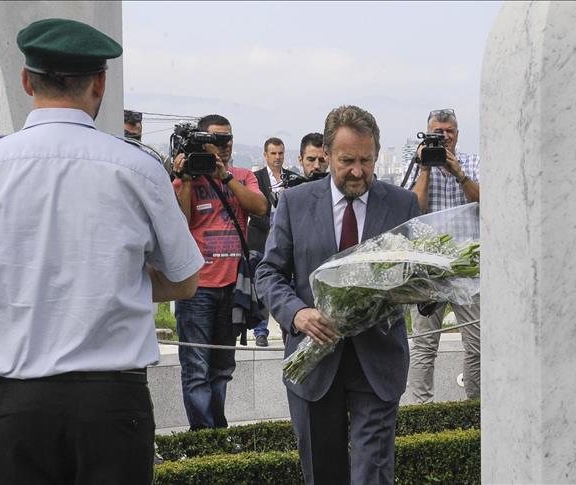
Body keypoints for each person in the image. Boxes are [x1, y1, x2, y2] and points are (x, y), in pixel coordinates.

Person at [0, 18, 203, 485]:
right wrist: (114, 282)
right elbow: (185, 280)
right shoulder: (138, 169)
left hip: (14, 410)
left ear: (27, 80)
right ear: (100, 84)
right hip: (113, 406)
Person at [256, 105, 420, 485]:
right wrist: (297, 314)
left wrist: (431, 285)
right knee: (323, 474)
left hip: (377, 363)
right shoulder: (296, 204)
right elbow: (268, 273)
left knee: (372, 474)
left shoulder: (402, 204)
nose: (358, 171)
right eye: (347, 161)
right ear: (326, 154)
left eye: (367, 160)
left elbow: (418, 280)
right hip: (312, 365)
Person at [172, 114, 267, 429]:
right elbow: (180, 223)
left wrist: (226, 177)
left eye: (229, 139)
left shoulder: (242, 175)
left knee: (222, 368)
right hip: (197, 288)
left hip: (233, 287)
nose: (224, 146)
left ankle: (217, 428)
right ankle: (204, 434)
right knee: (196, 368)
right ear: (202, 141)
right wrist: (186, 180)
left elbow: (260, 207)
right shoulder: (187, 178)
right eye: (217, 140)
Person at [406, 108, 481, 403]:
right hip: (428, 270)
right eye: (438, 132)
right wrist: (425, 168)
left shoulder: (474, 163)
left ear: (458, 135)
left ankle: (476, 407)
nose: (444, 137)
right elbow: (414, 210)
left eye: (449, 131)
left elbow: (489, 203)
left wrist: (458, 174)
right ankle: (421, 411)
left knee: (477, 344)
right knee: (424, 345)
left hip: (468, 270)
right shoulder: (417, 167)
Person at [247, 137, 299, 347]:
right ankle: (261, 331)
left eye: (280, 153)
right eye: (274, 154)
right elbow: (254, 208)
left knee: (285, 285)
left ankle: (288, 326)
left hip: (286, 246)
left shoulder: (293, 178)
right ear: (265, 155)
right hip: (260, 241)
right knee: (261, 288)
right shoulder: (255, 178)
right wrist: (272, 227)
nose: (277, 158)